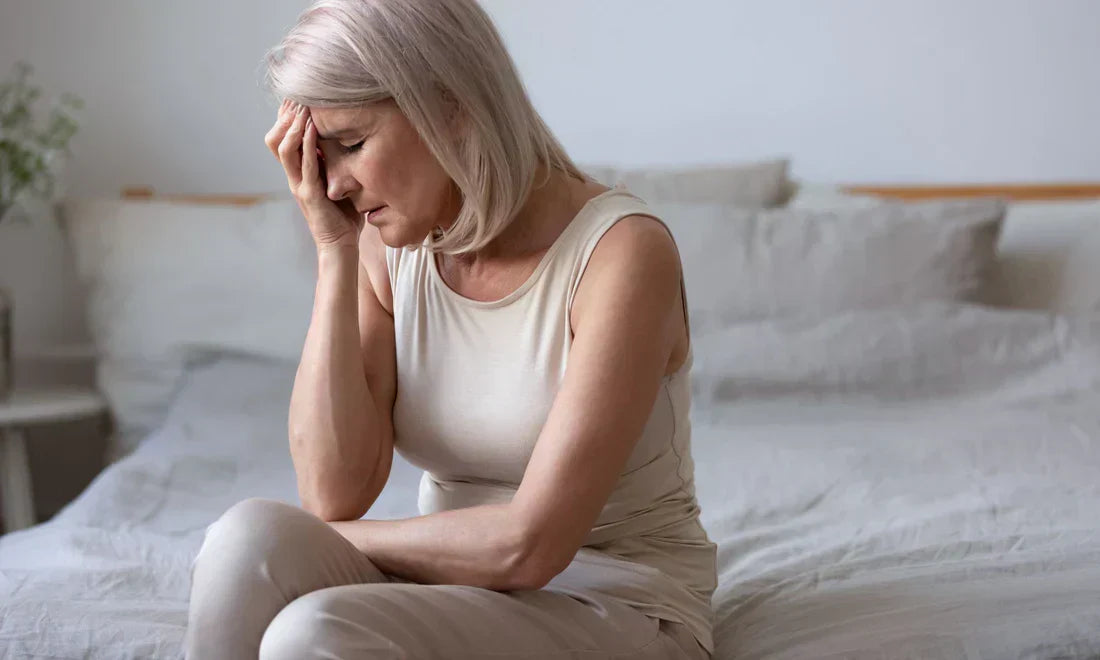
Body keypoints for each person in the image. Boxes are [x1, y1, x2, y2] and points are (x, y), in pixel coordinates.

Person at [184, 0, 716, 657]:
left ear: (452, 105)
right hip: (452, 588)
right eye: (320, 156)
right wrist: (334, 252)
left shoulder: (621, 254)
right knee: (245, 540)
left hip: (616, 600)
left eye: (351, 144)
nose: (337, 184)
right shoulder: (388, 245)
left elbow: (530, 545)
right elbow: (333, 491)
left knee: (309, 631)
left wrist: (330, 543)